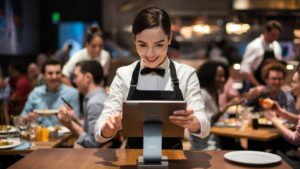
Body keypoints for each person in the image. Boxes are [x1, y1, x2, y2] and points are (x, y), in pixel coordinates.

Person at [94, 7, 210, 149]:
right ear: (134, 39)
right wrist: (109, 127)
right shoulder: (123, 74)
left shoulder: (186, 74)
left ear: (169, 38)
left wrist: (193, 122)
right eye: (142, 45)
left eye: (158, 45)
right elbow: (99, 132)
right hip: (132, 158)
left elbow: (204, 128)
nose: (150, 53)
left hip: (174, 159)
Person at [58, 60, 107, 148]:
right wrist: (74, 119)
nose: (74, 81)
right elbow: (91, 128)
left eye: (76, 76)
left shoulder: (95, 103)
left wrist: (70, 124)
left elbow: (93, 142)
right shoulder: (98, 96)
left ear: (88, 77)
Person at [21, 59, 80, 127]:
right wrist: (28, 118)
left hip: (65, 136)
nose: (54, 77)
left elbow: (76, 121)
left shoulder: (72, 93)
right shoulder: (36, 92)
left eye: (57, 73)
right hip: (39, 134)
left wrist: (68, 116)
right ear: (43, 75)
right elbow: (22, 117)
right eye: (50, 73)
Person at [264, 65, 300, 168]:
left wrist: (273, 119)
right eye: (273, 79)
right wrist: (281, 112)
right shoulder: (260, 92)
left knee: (272, 155)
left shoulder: (288, 97)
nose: (290, 85)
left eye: (294, 81)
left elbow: (295, 139)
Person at [190, 61, 229, 150]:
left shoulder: (214, 92)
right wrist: (227, 106)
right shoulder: (202, 94)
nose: (223, 79)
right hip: (204, 147)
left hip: (215, 142)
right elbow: (205, 121)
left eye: (224, 76)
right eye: (219, 76)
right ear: (209, 77)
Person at [240, 20, 282, 88]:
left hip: (271, 87)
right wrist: (258, 86)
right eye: (273, 35)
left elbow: (278, 66)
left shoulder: (276, 46)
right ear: (266, 32)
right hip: (254, 86)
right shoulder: (254, 46)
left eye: (277, 36)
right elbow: (244, 69)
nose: (275, 38)